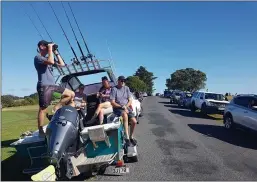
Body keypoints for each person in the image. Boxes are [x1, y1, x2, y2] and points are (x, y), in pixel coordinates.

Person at [34, 40, 75, 136]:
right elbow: (51, 61)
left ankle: (56, 107)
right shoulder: (38, 58)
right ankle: (40, 131)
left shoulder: (48, 57)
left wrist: (56, 52)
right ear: (41, 46)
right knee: (43, 109)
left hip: (53, 85)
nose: (49, 47)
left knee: (71, 94)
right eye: (46, 45)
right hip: (44, 86)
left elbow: (62, 64)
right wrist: (50, 49)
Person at [110, 76, 137, 146]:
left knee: (134, 121)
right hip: (117, 108)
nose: (123, 82)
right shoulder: (114, 89)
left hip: (126, 107)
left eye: (124, 81)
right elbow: (112, 102)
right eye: (121, 80)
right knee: (125, 115)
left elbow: (130, 100)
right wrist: (122, 107)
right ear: (118, 81)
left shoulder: (126, 88)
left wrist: (126, 107)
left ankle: (131, 136)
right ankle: (127, 138)